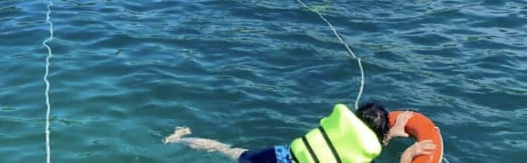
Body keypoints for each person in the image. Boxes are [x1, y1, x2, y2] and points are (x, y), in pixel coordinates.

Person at [164, 102, 436, 163]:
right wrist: (408, 153)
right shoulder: (368, 151)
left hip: (278, 156)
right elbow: (368, 147)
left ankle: (179, 139)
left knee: (229, 151)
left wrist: (386, 133)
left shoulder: (336, 123)